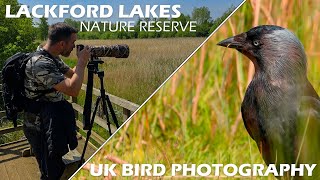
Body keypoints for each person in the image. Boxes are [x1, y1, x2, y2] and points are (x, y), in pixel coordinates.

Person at [23, 22, 91, 179]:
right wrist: (81, 62)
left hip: (51, 122)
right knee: (50, 172)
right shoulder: (40, 63)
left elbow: (71, 74)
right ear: (62, 43)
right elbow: (73, 89)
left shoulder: (52, 57)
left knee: (58, 166)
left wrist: (85, 60)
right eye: (73, 43)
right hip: (39, 127)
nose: (74, 47)